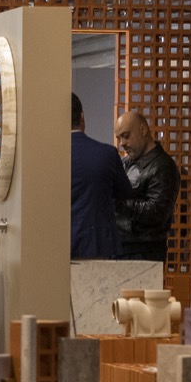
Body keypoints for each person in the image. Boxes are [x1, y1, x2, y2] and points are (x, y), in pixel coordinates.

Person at [70, 93, 131, 259]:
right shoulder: (107, 154)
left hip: (58, 246)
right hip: (99, 244)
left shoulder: (49, 158)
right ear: (82, 117)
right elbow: (125, 193)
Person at [113, 110, 180, 263]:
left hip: (145, 252)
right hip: (121, 247)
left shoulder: (164, 167)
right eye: (119, 138)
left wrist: (119, 203)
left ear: (143, 130)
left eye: (126, 136)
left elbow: (157, 213)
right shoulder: (125, 163)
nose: (122, 143)